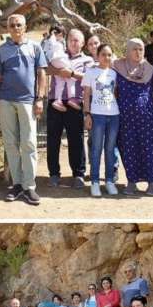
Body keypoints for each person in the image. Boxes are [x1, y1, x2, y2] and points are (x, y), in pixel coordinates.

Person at [0, 14, 47, 205]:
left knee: (29, 144)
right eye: (12, 25)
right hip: (6, 101)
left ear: (25, 27)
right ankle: (16, 184)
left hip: (28, 101)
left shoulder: (35, 47)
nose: (16, 28)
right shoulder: (1, 51)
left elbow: (42, 73)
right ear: (8, 28)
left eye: (19, 25)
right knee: (11, 144)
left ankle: (29, 186)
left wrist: (39, 98)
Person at [46, 29, 94, 190]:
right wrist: (61, 71)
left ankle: (78, 174)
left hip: (76, 104)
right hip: (55, 102)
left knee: (76, 139)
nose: (74, 43)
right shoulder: (59, 54)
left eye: (77, 40)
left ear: (82, 43)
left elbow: (90, 78)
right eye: (71, 40)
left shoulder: (87, 60)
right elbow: (46, 69)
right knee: (53, 139)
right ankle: (53, 173)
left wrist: (71, 73)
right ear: (67, 41)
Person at [114, 39, 153, 195]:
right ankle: (131, 182)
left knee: (149, 149)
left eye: (140, 49)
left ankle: (152, 183)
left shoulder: (151, 70)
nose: (138, 52)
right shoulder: (118, 67)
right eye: (134, 49)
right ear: (127, 50)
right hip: (125, 118)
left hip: (147, 117)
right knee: (128, 148)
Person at [82, 43, 120, 196]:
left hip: (114, 115)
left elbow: (116, 94)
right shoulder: (90, 73)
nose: (106, 57)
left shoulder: (115, 74)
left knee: (110, 150)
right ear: (97, 56)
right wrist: (87, 114)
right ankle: (95, 182)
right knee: (96, 149)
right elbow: (86, 95)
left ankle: (109, 181)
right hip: (97, 115)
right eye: (103, 54)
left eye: (109, 54)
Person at [43, 25, 82, 112]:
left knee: (60, 82)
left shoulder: (51, 42)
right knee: (71, 78)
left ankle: (58, 100)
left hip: (53, 61)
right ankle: (72, 98)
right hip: (58, 59)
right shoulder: (53, 41)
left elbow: (45, 49)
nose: (61, 37)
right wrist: (52, 35)